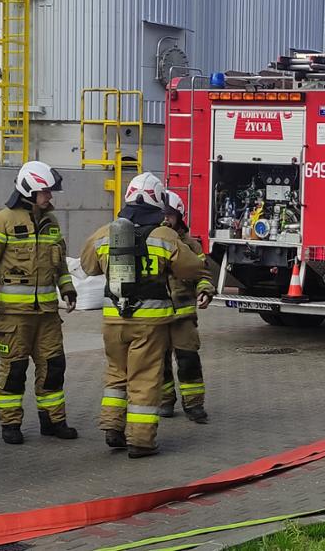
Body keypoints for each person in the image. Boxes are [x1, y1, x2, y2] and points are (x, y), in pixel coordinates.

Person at [80, 173, 207, 458]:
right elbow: (191, 269)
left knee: (116, 373)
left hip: (113, 320)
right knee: (145, 378)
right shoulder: (164, 236)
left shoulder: (105, 233)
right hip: (149, 323)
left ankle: (113, 427)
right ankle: (140, 441)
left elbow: (88, 266)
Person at [0, 160, 80, 445]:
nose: (50, 197)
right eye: (45, 192)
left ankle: (53, 421)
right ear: (30, 191)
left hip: (47, 315)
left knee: (53, 367)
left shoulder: (51, 222)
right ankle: (10, 424)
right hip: (14, 317)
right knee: (14, 371)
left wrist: (68, 290)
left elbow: (60, 265)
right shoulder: (3, 220)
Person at [157, 190, 216, 422]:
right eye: (162, 214)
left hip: (184, 316)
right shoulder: (151, 241)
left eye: (169, 215)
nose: (165, 220)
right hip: (157, 314)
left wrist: (205, 291)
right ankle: (165, 401)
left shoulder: (191, 246)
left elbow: (203, 274)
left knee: (188, 360)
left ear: (179, 216)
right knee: (159, 362)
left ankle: (194, 406)